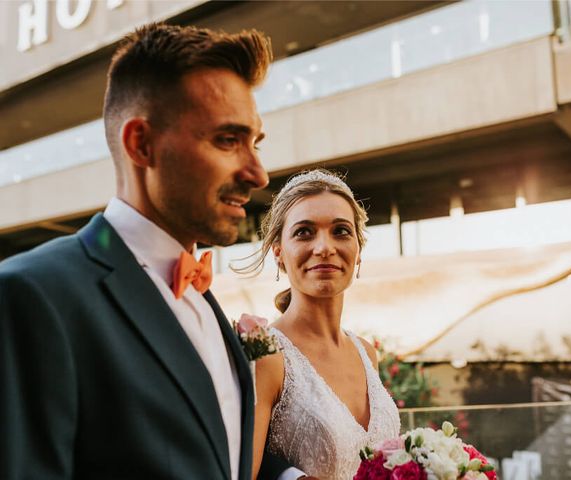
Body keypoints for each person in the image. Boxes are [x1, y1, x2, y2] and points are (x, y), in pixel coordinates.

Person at [0, 23, 294, 480]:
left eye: (255, 143)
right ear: (141, 143)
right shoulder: (31, 296)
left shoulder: (207, 303)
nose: (258, 174)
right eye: (228, 140)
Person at [240, 170, 401, 480]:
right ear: (279, 254)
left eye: (341, 231)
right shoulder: (265, 355)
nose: (324, 247)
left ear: (358, 251)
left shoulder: (367, 353)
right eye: (304, 232)